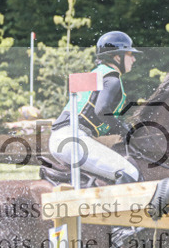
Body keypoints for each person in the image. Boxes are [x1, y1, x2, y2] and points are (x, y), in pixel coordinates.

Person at [48, 30, 141, 185]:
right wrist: (123, 130)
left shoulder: (96, 75)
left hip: (61, 138)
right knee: (130, 172)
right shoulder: (112, 79)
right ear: (117, 57)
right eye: (130, 54)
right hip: (73, 140)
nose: (134, 59)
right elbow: (101, 110)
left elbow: (92, 115)